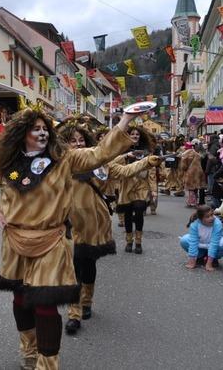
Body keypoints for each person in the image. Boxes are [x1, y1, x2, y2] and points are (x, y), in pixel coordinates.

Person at [0, 107, 139, 370]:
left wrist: (125, 121)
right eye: (35, 129)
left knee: (45, 305)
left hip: (51, 240)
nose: (41, 132)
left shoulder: (64, 160)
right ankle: (28, 352)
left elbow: (99, 154)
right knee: (20, 300)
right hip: (15, 241)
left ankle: (47, 364)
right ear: (22, 134)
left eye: (44, 129)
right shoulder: (8, 164)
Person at [57, 120, 162, 336]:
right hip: (69, 222)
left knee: (88, 265)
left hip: (95, 223)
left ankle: (87, 302)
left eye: (81, 140)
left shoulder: (102, 163)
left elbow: (124, 171)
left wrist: (147, 163)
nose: (77, 144)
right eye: (72, 141)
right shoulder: (61, 163)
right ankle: (74, 313)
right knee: (73, 267)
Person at [110, 125, 157, 254]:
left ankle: (138, 241)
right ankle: (129, 241)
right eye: (132, 134)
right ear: (128, 136)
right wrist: (126, 155)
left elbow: (151, 171)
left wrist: (154, 190)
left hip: (141, 186)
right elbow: (112, 164)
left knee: (139, 209)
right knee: (128, 214)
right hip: (126, 185)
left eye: (137, 134)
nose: (135, 136)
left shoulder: (147, 151)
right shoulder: (121, 149)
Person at [180, 205, 223, 271]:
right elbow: (193, 243)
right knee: (184, 240)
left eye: (212, 215)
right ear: (200, 219)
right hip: (201, 244)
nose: (211, 218)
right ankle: (200, 256)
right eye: (207, 217)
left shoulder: (217, 223)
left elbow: (214, 243)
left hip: (212, 244)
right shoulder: (195, 224)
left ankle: (213, 258)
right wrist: (192, 261)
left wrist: (209, 264)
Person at [179, 142, 207, 207]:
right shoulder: (196, 153)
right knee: (196, 188)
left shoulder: (185, 154)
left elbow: (184, 166)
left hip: (190, 172)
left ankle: (192, 202)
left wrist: (183, 170)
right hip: (198, 171)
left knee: (190, 188)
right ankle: (195, 201)